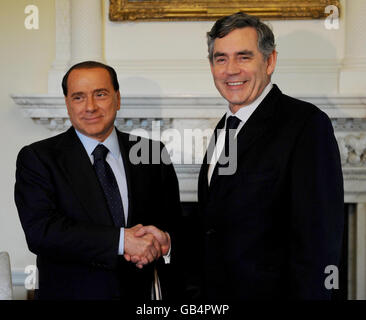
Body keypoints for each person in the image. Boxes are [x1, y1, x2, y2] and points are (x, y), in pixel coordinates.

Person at [197, 12, 344, 300]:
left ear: (270, 61)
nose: (231, 70)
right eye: (221, 58)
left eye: (243, 57)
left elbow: (320, 240)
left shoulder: (306, 124)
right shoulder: (225, 127)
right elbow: (216, 225)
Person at [14, 61, 182, 300]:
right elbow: (42, 232)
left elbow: (175, 224)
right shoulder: (39, 158)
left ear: (118, 98)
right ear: (67, 104)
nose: (90, 107)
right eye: (79, 97)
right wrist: (123, 241)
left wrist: (165, 241)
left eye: (100, 94)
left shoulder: (151, 152)